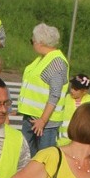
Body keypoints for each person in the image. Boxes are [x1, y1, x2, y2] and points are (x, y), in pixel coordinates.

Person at [18, 24, 69, 156]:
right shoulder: (42, 59)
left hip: (45, 123)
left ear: (40, 42)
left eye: (32, 41)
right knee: (27, 156)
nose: (32, 44)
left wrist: (43, 120)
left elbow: (55, 94)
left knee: (44, 158)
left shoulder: (56, 63)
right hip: (32, 117)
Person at [56, 73, 90, 145]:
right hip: (63, 141)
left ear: (84, 91)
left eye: (76, 89)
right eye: (72, 87)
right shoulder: (66, 98)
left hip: (82, 142)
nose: (72, 90)